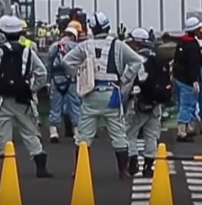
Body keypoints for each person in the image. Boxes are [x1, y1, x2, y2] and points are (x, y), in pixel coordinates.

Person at [61, 11, 143, 180]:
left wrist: (79, 74)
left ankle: (79, 170)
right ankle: (122, 171)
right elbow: (136, 61)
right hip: (112, 93)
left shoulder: (85, 46)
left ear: (92, 28)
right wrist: (125, 79)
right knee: (119, 134)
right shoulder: (118, 45)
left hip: (91, 94)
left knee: (83, 135)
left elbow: (67, 61)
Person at [0, 15, 52, 177]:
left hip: (2, 98)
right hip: (23, 98)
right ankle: (40, 164)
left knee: (3, 133)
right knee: (30, 131)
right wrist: (31, 88)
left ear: (3, 33)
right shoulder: (28, 52)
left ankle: (7, 166)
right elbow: (42, 73)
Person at [124, 27, 172, 178]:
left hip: (137, 103)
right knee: (151, 136)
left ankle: (132, 162)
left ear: (137, 43)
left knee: (130, 133)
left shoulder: (134, 60)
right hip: (156, 104)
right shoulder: (157, 59)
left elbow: (127, 81)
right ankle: (149, 166)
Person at [46, 23, 82, 143]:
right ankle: (77, 132)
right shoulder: (77, 47)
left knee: (55, 106)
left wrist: (48, 80)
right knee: (74, 105)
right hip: (71, 79)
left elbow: (49, 63)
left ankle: (53, 132)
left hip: (56, 79)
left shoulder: (54, 46)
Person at [171, 16, 202, 142]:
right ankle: (182, 131)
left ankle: (187, 127)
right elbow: (194, 64)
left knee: (181, 104)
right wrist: (194, 80)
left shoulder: (181, 42)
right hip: (187, 81)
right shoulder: (193, 45)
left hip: (178, 78)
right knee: (187, 105)